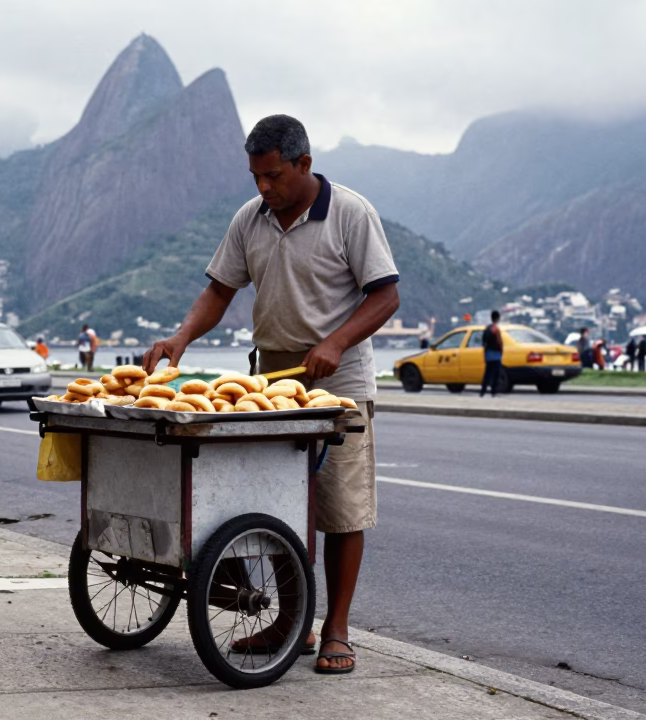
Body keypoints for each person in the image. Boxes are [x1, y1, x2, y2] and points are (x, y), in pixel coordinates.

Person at [143, 115, 400, 673]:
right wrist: (181, 337)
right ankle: (290, 622)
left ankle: (336, 629)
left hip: (339, 384)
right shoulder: (249, 219)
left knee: (341, 508)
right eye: (256, 176)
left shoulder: (350, 212)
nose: (264, 187)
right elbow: (220, 289)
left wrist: (336, 341)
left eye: (274, 175)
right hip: (271, 383)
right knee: (270, 503)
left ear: (304, 164)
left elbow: (385, 297)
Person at [480, 310, 503, 397]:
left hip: (488, 354)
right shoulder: (496, 329)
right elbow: (499, 342)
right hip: (496, 355)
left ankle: (483, 391)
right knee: (496, 374)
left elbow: (483, 342)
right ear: (497, 318)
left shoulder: (487, 328)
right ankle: (493, 391)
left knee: (487, 373)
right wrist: (501, 351)